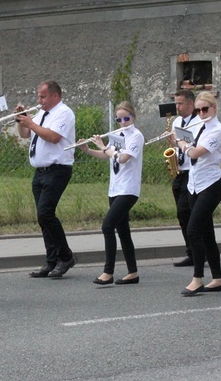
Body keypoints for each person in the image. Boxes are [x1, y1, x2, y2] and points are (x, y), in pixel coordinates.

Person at [17, 80, 77, 278]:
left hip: (57, 169)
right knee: (42, 218)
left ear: (55, 96)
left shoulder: (64, 113)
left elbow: (54, 137)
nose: (39, 100)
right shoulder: (42, 113)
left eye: (43, 97)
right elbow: (25, 134)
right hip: (40, 171)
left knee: (46, 213)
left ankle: (66, 257)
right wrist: (22, 120)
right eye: (38, 96)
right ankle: (51, 261)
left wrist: (31, 123)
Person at [79, 102, 144, 285]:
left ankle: (108, 272)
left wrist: (103, 145)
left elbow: (123, 158)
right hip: (115, 188)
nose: (123, 122)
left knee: (107, 226)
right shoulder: (116, 135)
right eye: (119, 119)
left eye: (126, 118)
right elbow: (106, 155)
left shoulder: (136, 136)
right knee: (123, 231)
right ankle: (133, 272)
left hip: (128, 189)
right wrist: (89, 149)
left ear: (133, 117)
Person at [175, 91, 221, 296]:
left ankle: (197, 278)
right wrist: (179, 142)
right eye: (198, 110)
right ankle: (218, 278)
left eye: (205, 109)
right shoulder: (198, 125)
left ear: (214, 108)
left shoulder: (217, 130)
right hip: (194, 184)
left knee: (193, 230)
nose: (202, 113)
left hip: (210, 185)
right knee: (207, 234)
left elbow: (195, 152)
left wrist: (180, 142)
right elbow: (188, 148)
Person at [168, 89, 196, 267]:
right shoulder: (177, 121)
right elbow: (176, 143)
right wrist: (172, 143)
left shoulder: (198, 122)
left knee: (186, 211)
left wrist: (179, 142)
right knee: (181, 213)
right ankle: (191, 252)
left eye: (180, 103)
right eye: (176, 103)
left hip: (192, 171)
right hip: (179, 170)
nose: (177, 107)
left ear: (191, 104)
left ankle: (198, 251)